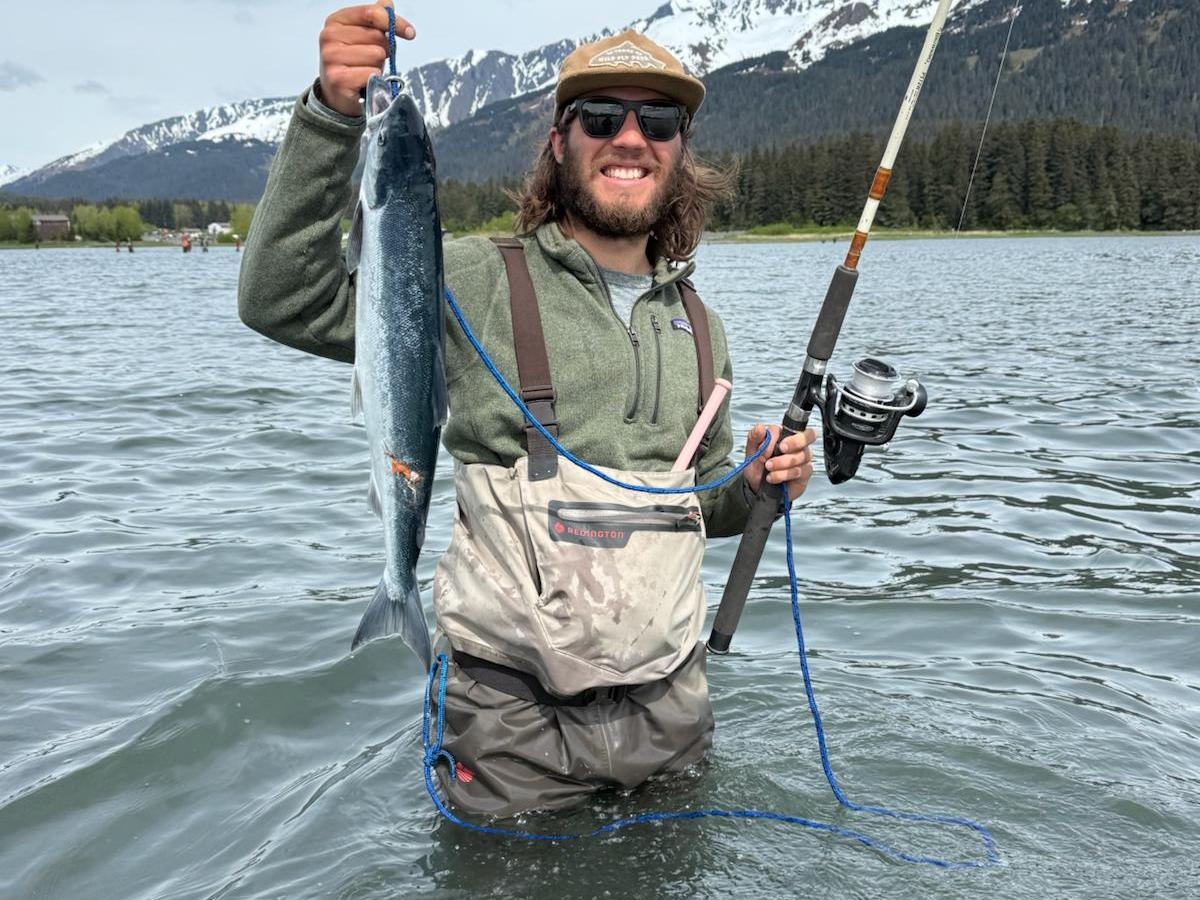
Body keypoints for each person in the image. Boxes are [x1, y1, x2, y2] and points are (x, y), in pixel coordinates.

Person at [238, 0, 817, 818]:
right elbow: (281, 299)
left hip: (673, 714)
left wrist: (759, 486)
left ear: (681, 153)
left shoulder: (701, 326)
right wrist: (333, 117)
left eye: (658, 120)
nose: (630, 136)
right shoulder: (469, 277)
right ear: (559, 140)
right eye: (600, 116)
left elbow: (699, 500)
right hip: (506, 730)